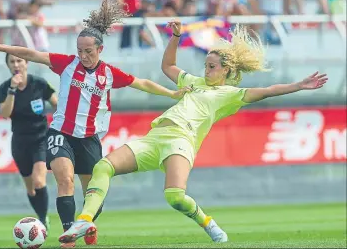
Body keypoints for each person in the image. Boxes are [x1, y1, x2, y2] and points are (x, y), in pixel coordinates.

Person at [58, 19, 328, 244]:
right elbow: (167, 67)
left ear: (226, 70)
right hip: (154, 138)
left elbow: (268, 91)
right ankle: (84, 221)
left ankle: (208, 222)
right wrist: (175, 36)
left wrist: (299, 85)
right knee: (103, 167)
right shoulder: (194, 82)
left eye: (212, 67)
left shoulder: (230, 94)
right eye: (206, 66)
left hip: (180, 142)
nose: (207, 70)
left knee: (174, 196)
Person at [0, 0, 190, 247]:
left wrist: (172, 94)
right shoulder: (66, 64)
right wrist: (0, 46)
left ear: (100, 49)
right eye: (80, 50)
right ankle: (69, 236)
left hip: (89, 138)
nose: (83, 56)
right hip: (60, 132)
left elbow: (141, 83)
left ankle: (86, 223)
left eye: (88, 51)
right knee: (64, 180)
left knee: (93, 195)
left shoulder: (110, 74)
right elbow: (32, 54)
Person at [0, 53, 58, 231]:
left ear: (26, 63)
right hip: (20, 141)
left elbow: (56, 102)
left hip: (41, 138)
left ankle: (41, 220)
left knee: (40, 181)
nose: (16, 64)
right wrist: (12, 90)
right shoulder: (4, 88)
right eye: (12, 61)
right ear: (8, 65)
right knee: (31, 188)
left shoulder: (38, 83)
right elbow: (5, 113)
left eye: (19, 61)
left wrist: (61, 122)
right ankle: (42, 215)